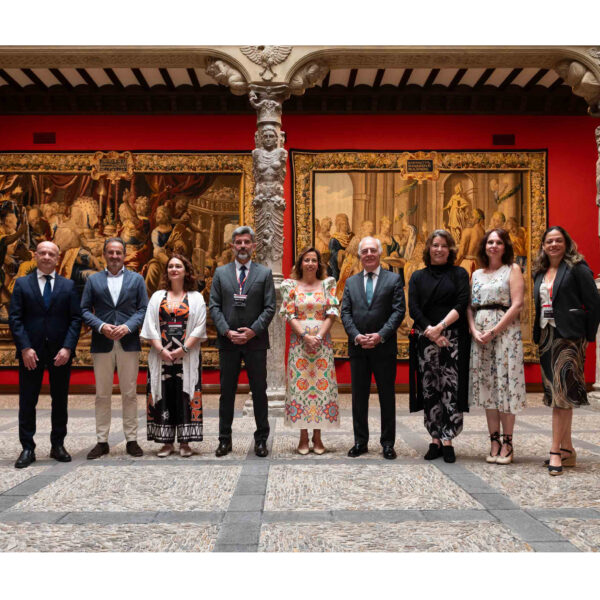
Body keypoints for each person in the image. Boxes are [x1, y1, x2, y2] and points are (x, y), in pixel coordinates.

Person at [533, 226, 600, 475]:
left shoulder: (577, 268)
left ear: (566, 243)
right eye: (549, 241)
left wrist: (586, 335)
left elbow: (594, 303)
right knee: (557, 394)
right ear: (543, 245)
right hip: (547, 336)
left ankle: (554, 452)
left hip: (569, 338)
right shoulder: (540, 271)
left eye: (558, 240)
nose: (553, 244)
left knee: (562, 396)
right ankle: (568, 450)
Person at [9, 241, 82, 468]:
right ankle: (27, 448)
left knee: (60, 400)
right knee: (27, 401)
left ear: (57, 258)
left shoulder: (68, 286)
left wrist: (68, 348)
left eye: (51, 253)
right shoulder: (22, 284)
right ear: (36, 255)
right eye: (43, 253)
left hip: (60, 353)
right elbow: (15, 319)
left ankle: (57, 445)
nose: (47, 257)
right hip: (31, 352)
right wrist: (25, 348)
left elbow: (76, 319)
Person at [209, 226, 276, 458]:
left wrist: (252, 331)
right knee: (227, 393)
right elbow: (214, 306)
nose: (243, 246)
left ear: (254, 246)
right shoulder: (220, 273)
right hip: (228, 343)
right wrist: (227, 332)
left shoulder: (264, 274)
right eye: (238, 242)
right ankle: (224, 440)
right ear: (232, 246)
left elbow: (270, 308)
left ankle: (261, 441)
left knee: (259, 392)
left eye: (247, 242)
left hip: (255, 343)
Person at [81, 237, 148, 459]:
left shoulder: (137, 280)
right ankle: (102, 441)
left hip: (128, 342)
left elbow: (142, 309)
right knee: (102, 394)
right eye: (111, 252)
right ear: (104, 254)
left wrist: (128, 327)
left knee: (129, 393)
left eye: (119, 252)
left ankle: (131, 439)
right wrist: (101, 326)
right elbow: (84, 310)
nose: (115, 256)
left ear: (124, 254)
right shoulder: (94, 280)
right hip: (102, 342)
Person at [408, 230, 470, 463]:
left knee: (451, 389)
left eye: (444, 245)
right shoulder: (417, 276)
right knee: (430, 388)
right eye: (435, 245)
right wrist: (432, 333)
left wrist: (440, 328)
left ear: (450, 249)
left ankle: (448, 440)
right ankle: (434, 439)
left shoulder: (459, 274)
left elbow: (462, 303)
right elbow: (414, 308)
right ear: (429, 249)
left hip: (453, 337)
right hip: (427, 339)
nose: (439, 249)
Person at [341, 236, 405, 460]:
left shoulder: (393, 280)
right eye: (364, 251)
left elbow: (398, 312)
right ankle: (360, 441)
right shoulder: (351, 282)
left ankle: (387, 443)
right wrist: (357, 336)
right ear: (360, 256)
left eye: (372, 250)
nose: (368, 254)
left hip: (384, 348)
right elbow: (345, 312)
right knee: (359, 397)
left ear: (379, 253)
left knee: (387, 397)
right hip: (358, 348)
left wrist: (380, 336)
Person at [467, 229, 526, 464]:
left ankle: (508, 442)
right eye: (490, 242)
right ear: (484, 246)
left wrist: (493, 331)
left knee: (506, 387)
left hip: (505, 335)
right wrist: (473, 330)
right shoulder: (477, 274)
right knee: (488, 388)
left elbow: (517, 304)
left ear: (505, 246)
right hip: (480, 336)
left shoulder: (512, 270)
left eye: (498, 242)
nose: (493, 246)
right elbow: (470, 307)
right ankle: (494, 440)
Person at [141, 254, 207, 457]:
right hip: (161, 357)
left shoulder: (196, 297)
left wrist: (183, 350)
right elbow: (149, 326)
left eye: (178, 266)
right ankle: (166, 442)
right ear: (167, 271)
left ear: (186, 271)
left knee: (186, 395)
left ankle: (185, 443)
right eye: (170, 266)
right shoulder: (157, 297)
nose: (174, 269)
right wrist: (161, 350)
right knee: (163, 397)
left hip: (186, 357)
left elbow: (199, 326)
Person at [280, 246, 340, 454]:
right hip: (300, 344)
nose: (310, 264)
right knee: (300, 390)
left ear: (319, 264)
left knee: (321, 390)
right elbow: (289, 314)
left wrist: (318, 337)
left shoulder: (327, 284)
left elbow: (332, 312)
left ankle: (318, 436)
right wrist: (306, 337)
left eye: (314, 260)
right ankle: (303, 436)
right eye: (306, 260)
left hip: (322, 344)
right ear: (300, 263)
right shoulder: (290, 285)